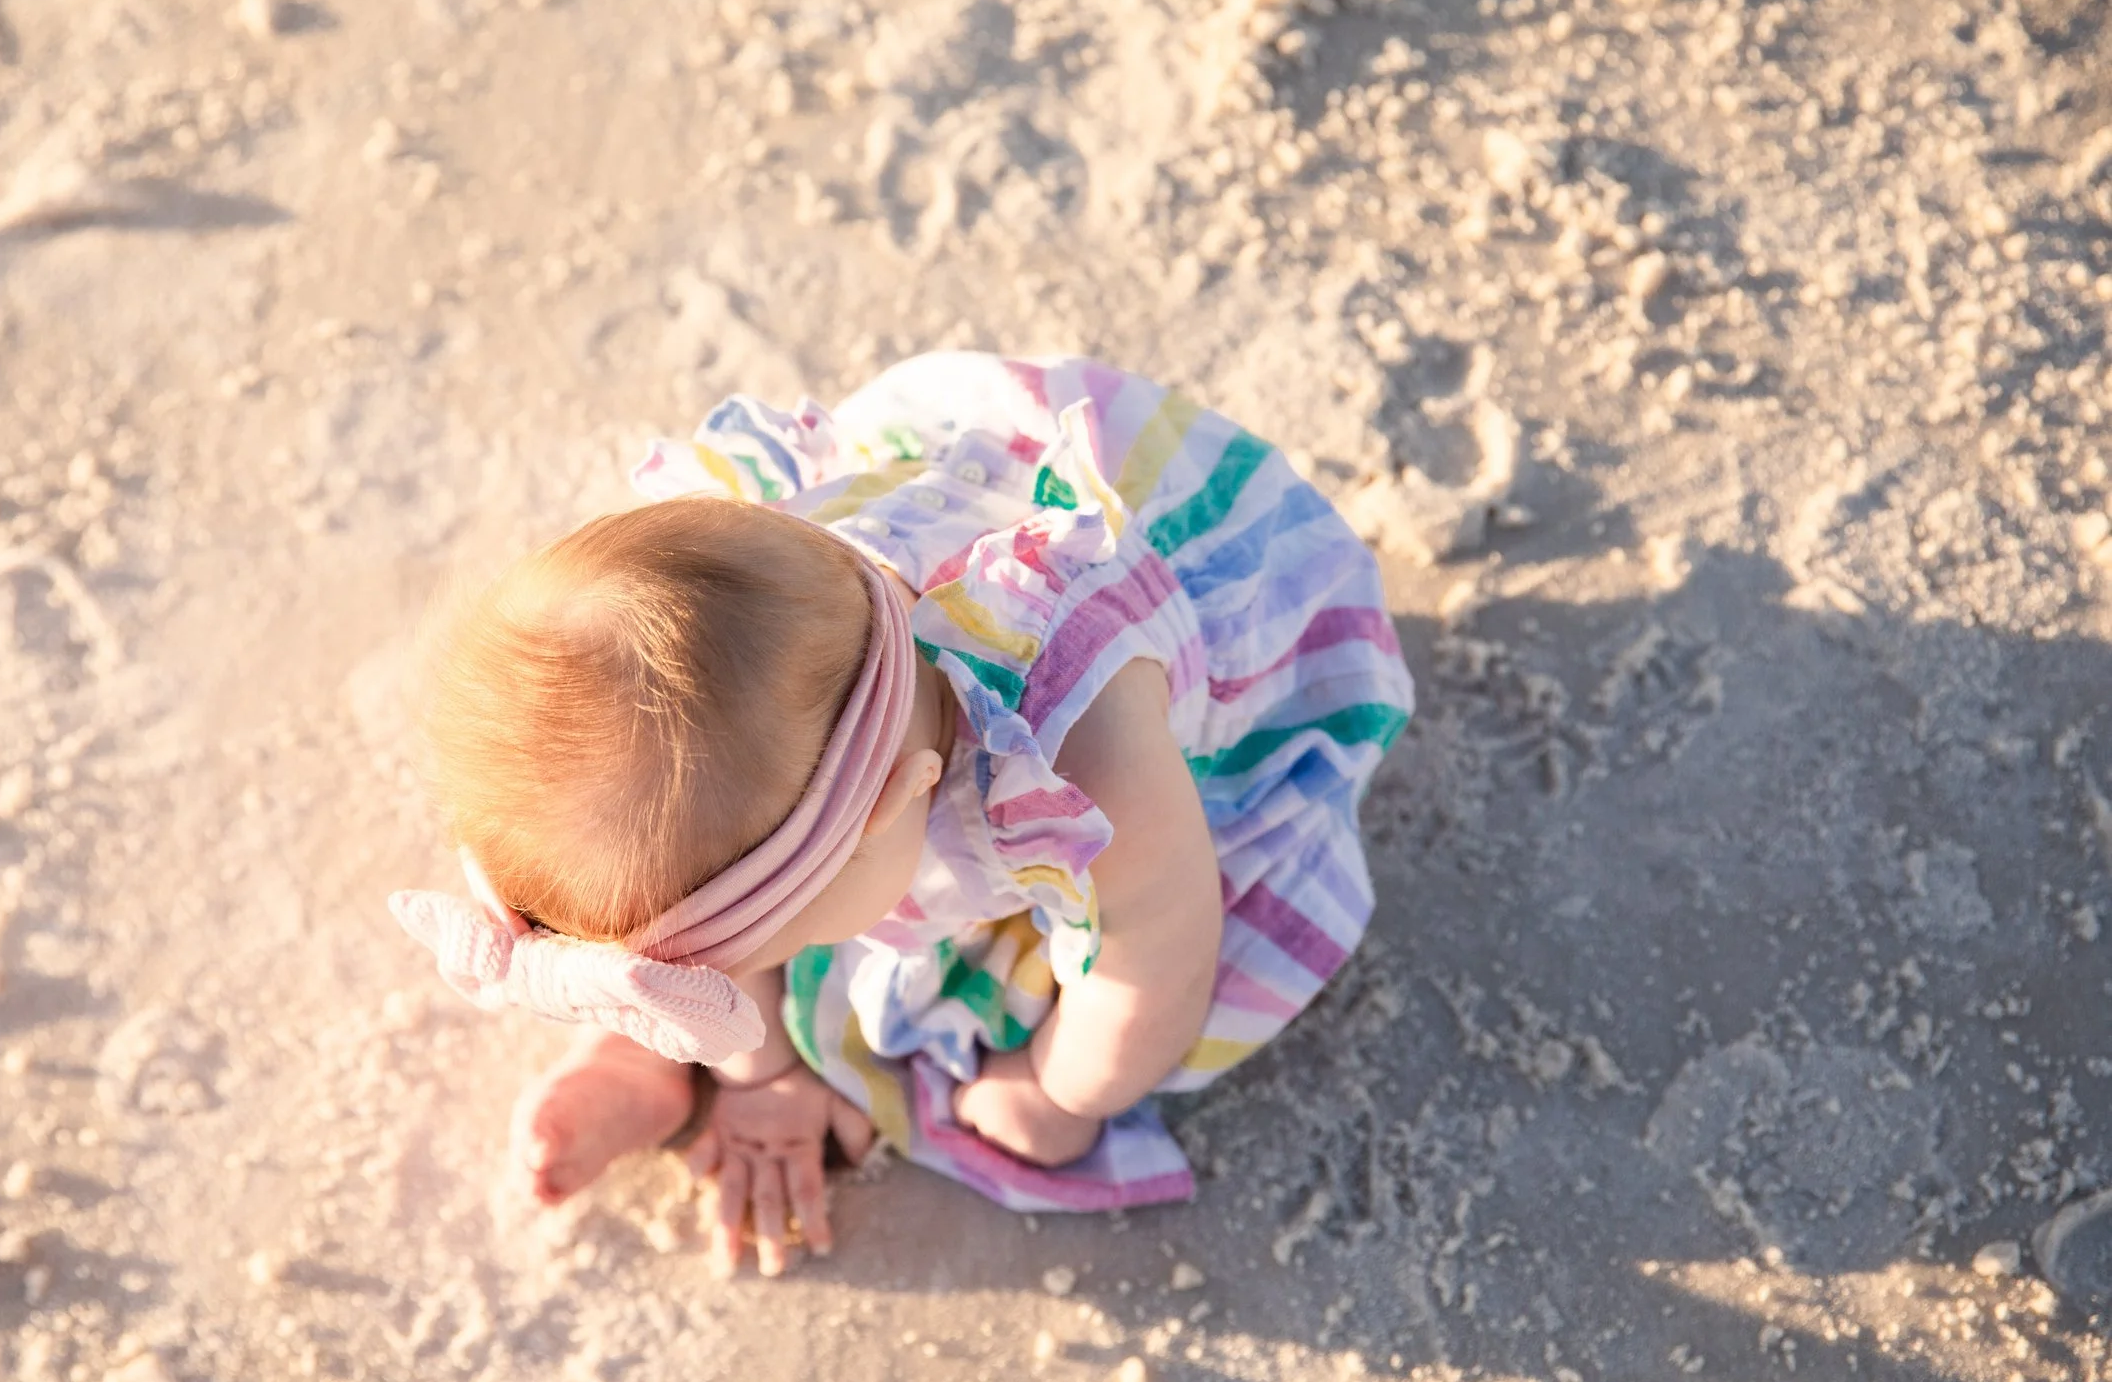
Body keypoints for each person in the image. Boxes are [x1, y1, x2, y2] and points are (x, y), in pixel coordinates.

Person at [391, 353, 1413, 1276]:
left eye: (732, 963)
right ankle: (649, 1048)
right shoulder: (799, 680)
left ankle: (796, 1034)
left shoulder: (1091, 759)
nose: (741, 972)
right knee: (705, 815)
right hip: (812, 738)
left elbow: (1160, 942)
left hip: (1208, 619)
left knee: (1025, 1006)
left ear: (898, 804)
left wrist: (1064, 1092)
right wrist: (760, 1073)